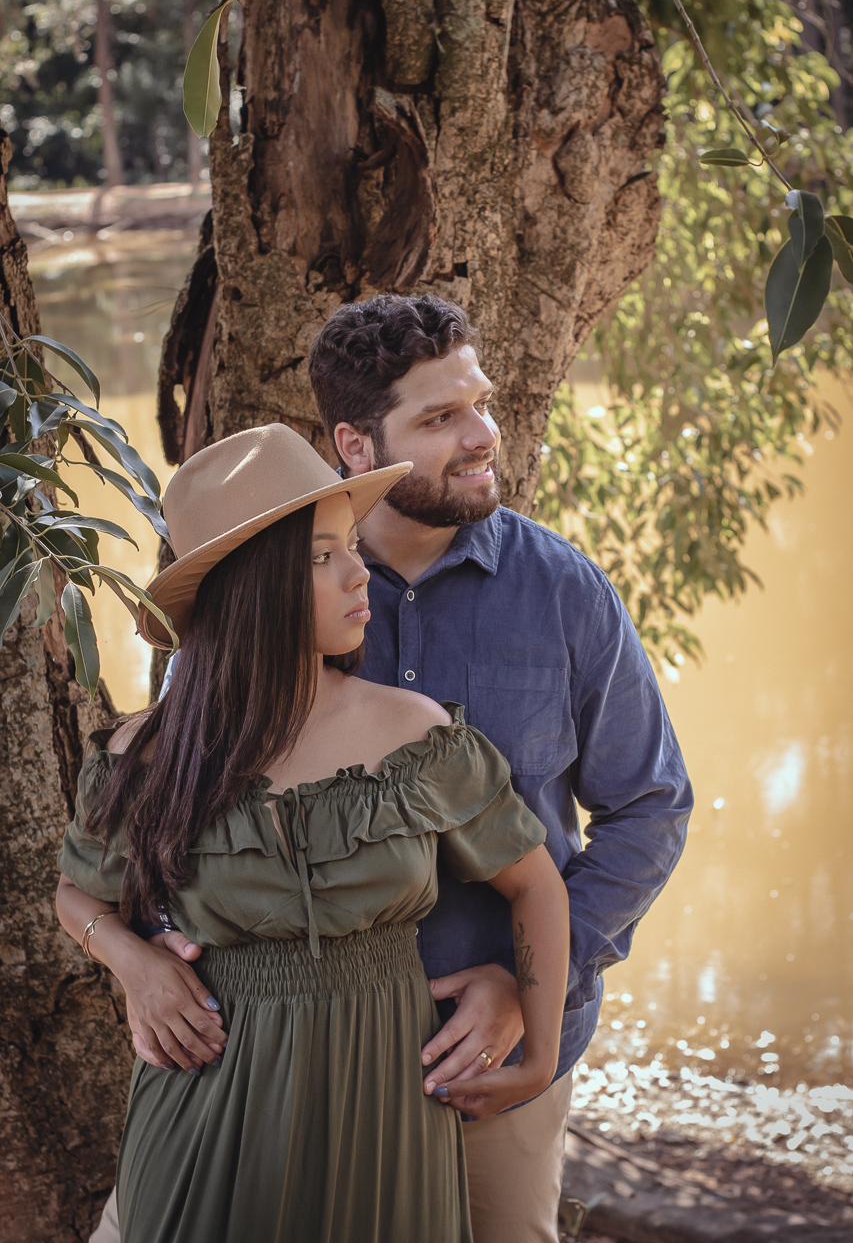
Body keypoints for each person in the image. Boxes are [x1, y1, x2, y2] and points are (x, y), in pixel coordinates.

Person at [92, 293, 692, 1243]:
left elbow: (650, 808)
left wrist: (530, 984)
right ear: (355, 444)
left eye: (480, 404)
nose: (481, 435)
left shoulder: (562, 593)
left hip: (485, 1066)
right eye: (440, 416)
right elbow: (173, 819)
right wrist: (140, 959)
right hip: (270, 1064)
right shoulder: (245, 609)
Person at [55, 424, 571, 1243]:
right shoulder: (146, 754)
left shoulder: (413, 735)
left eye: (350, 547)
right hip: (204, 1111)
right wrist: (131, 960)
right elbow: (77, 892)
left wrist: (539, 1055)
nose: (359, 573)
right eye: (322, 556)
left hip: (386, 1112)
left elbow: (534, 883)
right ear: (251, 589)